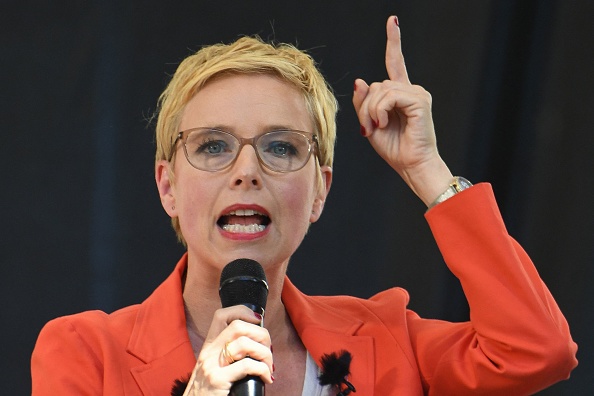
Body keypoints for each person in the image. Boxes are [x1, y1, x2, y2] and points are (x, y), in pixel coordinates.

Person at [31, 16, 577, 395]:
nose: (247, 170)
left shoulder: (388, 340)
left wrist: (427, 170)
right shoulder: (85, 353)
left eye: (280, 147)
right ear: (168, 186)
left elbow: (536, 350)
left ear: (319, 191)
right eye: (214, 146)